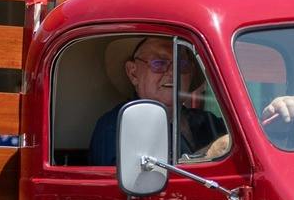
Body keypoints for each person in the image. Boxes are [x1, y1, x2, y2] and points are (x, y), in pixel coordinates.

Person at [88, 36, 225, 167]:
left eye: (181, 64)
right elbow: (137, 185)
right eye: (159, 63)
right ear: (133, 73)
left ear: (192, 72)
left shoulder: (207, 121)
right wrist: (210, 154)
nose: (173, 72)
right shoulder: (117, 125)